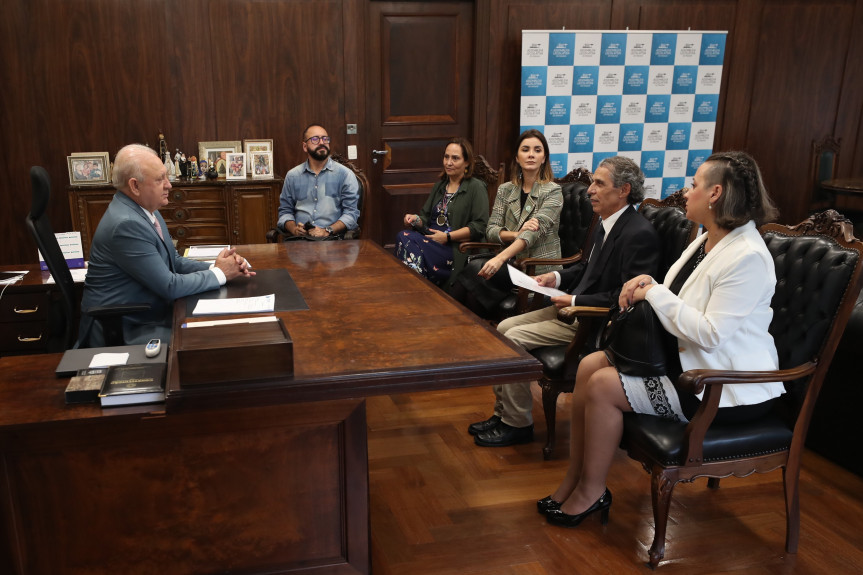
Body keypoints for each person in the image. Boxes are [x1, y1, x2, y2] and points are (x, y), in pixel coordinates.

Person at [540, 151, 783, 529]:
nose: (687, 192)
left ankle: (592, 491)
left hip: (720, 384)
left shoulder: (748, 255)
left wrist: (652, 290)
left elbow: (711, 334)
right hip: (684, 361)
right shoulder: (706, 240)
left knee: (603, 385)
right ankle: (575, 478)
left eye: (695, 185)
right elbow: (672, 296)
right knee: (590, 363)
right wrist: (647, 285)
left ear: (716, 193)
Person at [470, 156, 661, 447]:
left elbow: (627, 297)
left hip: (591, 320)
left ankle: (517, 424)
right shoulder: (606, 223)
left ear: (623, 190)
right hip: (569, 307)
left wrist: (574, 298)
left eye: (599, 184)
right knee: (503, 328)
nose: (590, 190)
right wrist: (556, 279)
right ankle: (504, 413)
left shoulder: (638, 234)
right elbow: (587, 267)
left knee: (513, 338)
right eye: (593, 182)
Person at [78, 144, 254, 347]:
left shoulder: (146, 210)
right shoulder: (126, 225)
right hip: (125, 326)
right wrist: (221, 274)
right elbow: (169, 286)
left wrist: (218, 266)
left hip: (146, 314)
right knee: (211, 338)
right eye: (160, 179)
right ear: (135, 186)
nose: (169, 185)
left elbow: (173, 261)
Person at [451, 129, 563, 316]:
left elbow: (532, 233)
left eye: (537, 150)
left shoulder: (553, 192)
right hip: (511, 266)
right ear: (517, 158)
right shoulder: (505, 190)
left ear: (544, 158)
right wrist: (515, 234)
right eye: (525, 150)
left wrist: (500, 258)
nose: (531, 155)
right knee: (474, 291)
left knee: (474, 270)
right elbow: (491, 230)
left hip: (538, 271)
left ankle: (447, 317)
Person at [395, 138, 489, 289]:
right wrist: (415, 219)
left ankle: (415, 289)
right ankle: (417, 287)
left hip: (452, 248)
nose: (448, 162)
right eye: (446, 157)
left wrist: (447, 237)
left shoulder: (476, 187)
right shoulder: (440, 186)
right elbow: (425, 217)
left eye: (455, 158)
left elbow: (480, 226)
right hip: (430, 241)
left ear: (467, 162)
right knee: (404, 235)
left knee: (405, 238)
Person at [276, 124, 360, 239]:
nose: (322, 142)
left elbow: (351, 214)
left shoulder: (345, 175)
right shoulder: (293, 176)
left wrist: (327, 230)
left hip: (332, 240)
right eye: (315, 139)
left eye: (325, 139)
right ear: (305, 146)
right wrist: (294, 229)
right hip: (299, 241)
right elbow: (285, 212)